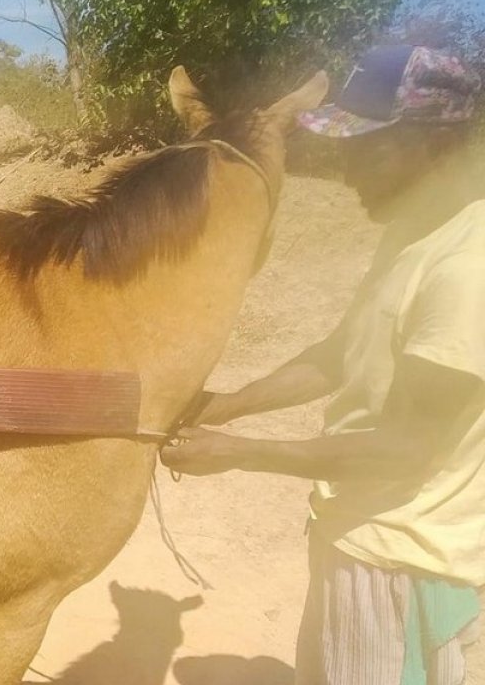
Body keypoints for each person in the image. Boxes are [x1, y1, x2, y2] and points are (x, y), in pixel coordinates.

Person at [161, 45, 485, 685]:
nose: (345, 168)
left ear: (432, 143)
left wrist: (236, 450)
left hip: (403, 563)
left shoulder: (466, 268)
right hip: (355, 535)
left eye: (367, 148)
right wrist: (224, 403)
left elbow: (403, 451)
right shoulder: (413, 232)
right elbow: (342, 355)